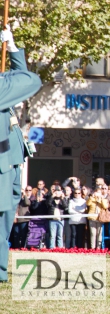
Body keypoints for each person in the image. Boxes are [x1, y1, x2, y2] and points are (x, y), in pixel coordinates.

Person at [0, 27, 42, 280]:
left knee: (6, 218)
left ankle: (1, 270)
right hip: (3, 163)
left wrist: (13, 47)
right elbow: (29, 79)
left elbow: (18, 75)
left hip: (13, 162)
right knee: (2, 218)